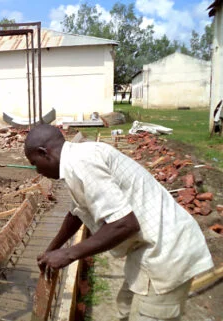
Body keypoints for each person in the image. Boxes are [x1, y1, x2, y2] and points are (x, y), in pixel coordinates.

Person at [24, 124, 214, 321]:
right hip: (150, 249)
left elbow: (124, 224)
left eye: (34, 163)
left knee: (148, 314)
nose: (37, 171)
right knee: (125, 308)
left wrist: (69, 254)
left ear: (44, 152)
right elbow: (77, 213)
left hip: (166, 252)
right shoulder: (77, 158)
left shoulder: (81, 164)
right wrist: (52, 248)